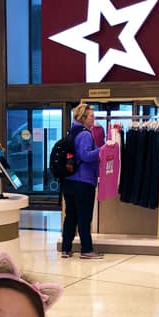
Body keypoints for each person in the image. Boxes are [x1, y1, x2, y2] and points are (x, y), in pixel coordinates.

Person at [60, 102, 103, 260]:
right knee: (84, 217)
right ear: (83, 117)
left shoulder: (72, 132)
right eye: (91, 116)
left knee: (70, 216)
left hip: (69, 181)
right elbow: (85, 156)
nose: (94, 118)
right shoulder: (85, 134)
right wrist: (102, 150)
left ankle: (66, 248)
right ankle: (86, 250)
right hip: (83, 182)